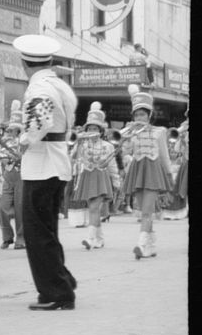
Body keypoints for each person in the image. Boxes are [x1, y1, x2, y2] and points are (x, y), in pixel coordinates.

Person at [12, 34, 78, 311]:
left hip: (41, 166)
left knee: (38, 233)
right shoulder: (60, 85)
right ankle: (62, 280)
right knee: (47, 229)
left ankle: (56, 293)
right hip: (57, 162)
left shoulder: (38, 87)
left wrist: (22, 143)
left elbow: (40, 121)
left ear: (24, 63)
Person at [120, 84, 173, 260]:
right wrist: (127, 134)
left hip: (153, 171)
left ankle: (142, 245)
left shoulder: (160, 132)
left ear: (149, 115)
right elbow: (126, 151)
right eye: (136, 114)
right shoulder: (131, 132)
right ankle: (151, 246)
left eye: (142, 114)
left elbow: (165, 156)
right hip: (137, 171)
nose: (139, 117)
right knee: (143, 209)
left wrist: (169, 176)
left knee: (147, 211)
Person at [70, 103, 120, 251]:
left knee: (93, 208)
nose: (92, 131)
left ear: (100, 130)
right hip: (87, 176)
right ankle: (100, 238)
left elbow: (112, 166)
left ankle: (90, 238)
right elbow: (73, 158)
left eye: (95, 128)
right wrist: (78, 143)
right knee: (94, 210)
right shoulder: (82, 144)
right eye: (90, 128)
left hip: (101, 177)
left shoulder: (108, 146)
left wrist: (116, 182)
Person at [0, 100, 26, 250]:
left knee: (21, 208)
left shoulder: (26, 141)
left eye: (16, 130)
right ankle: (7, 237)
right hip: (8, 176)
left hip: (22, 177)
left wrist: (20, 155)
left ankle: (21, 238)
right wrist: (6, 157)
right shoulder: (5, 141)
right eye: (11, 129)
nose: (13, 132)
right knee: (2, 207)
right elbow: (1, 158)